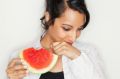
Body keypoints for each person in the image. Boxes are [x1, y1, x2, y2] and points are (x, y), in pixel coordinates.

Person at [6, 0, 105, 79]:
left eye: (79, 29)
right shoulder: (19, 57)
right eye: (66, 28)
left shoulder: (88, 52)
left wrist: (76, 56)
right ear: (48, 17)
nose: (73, 37)